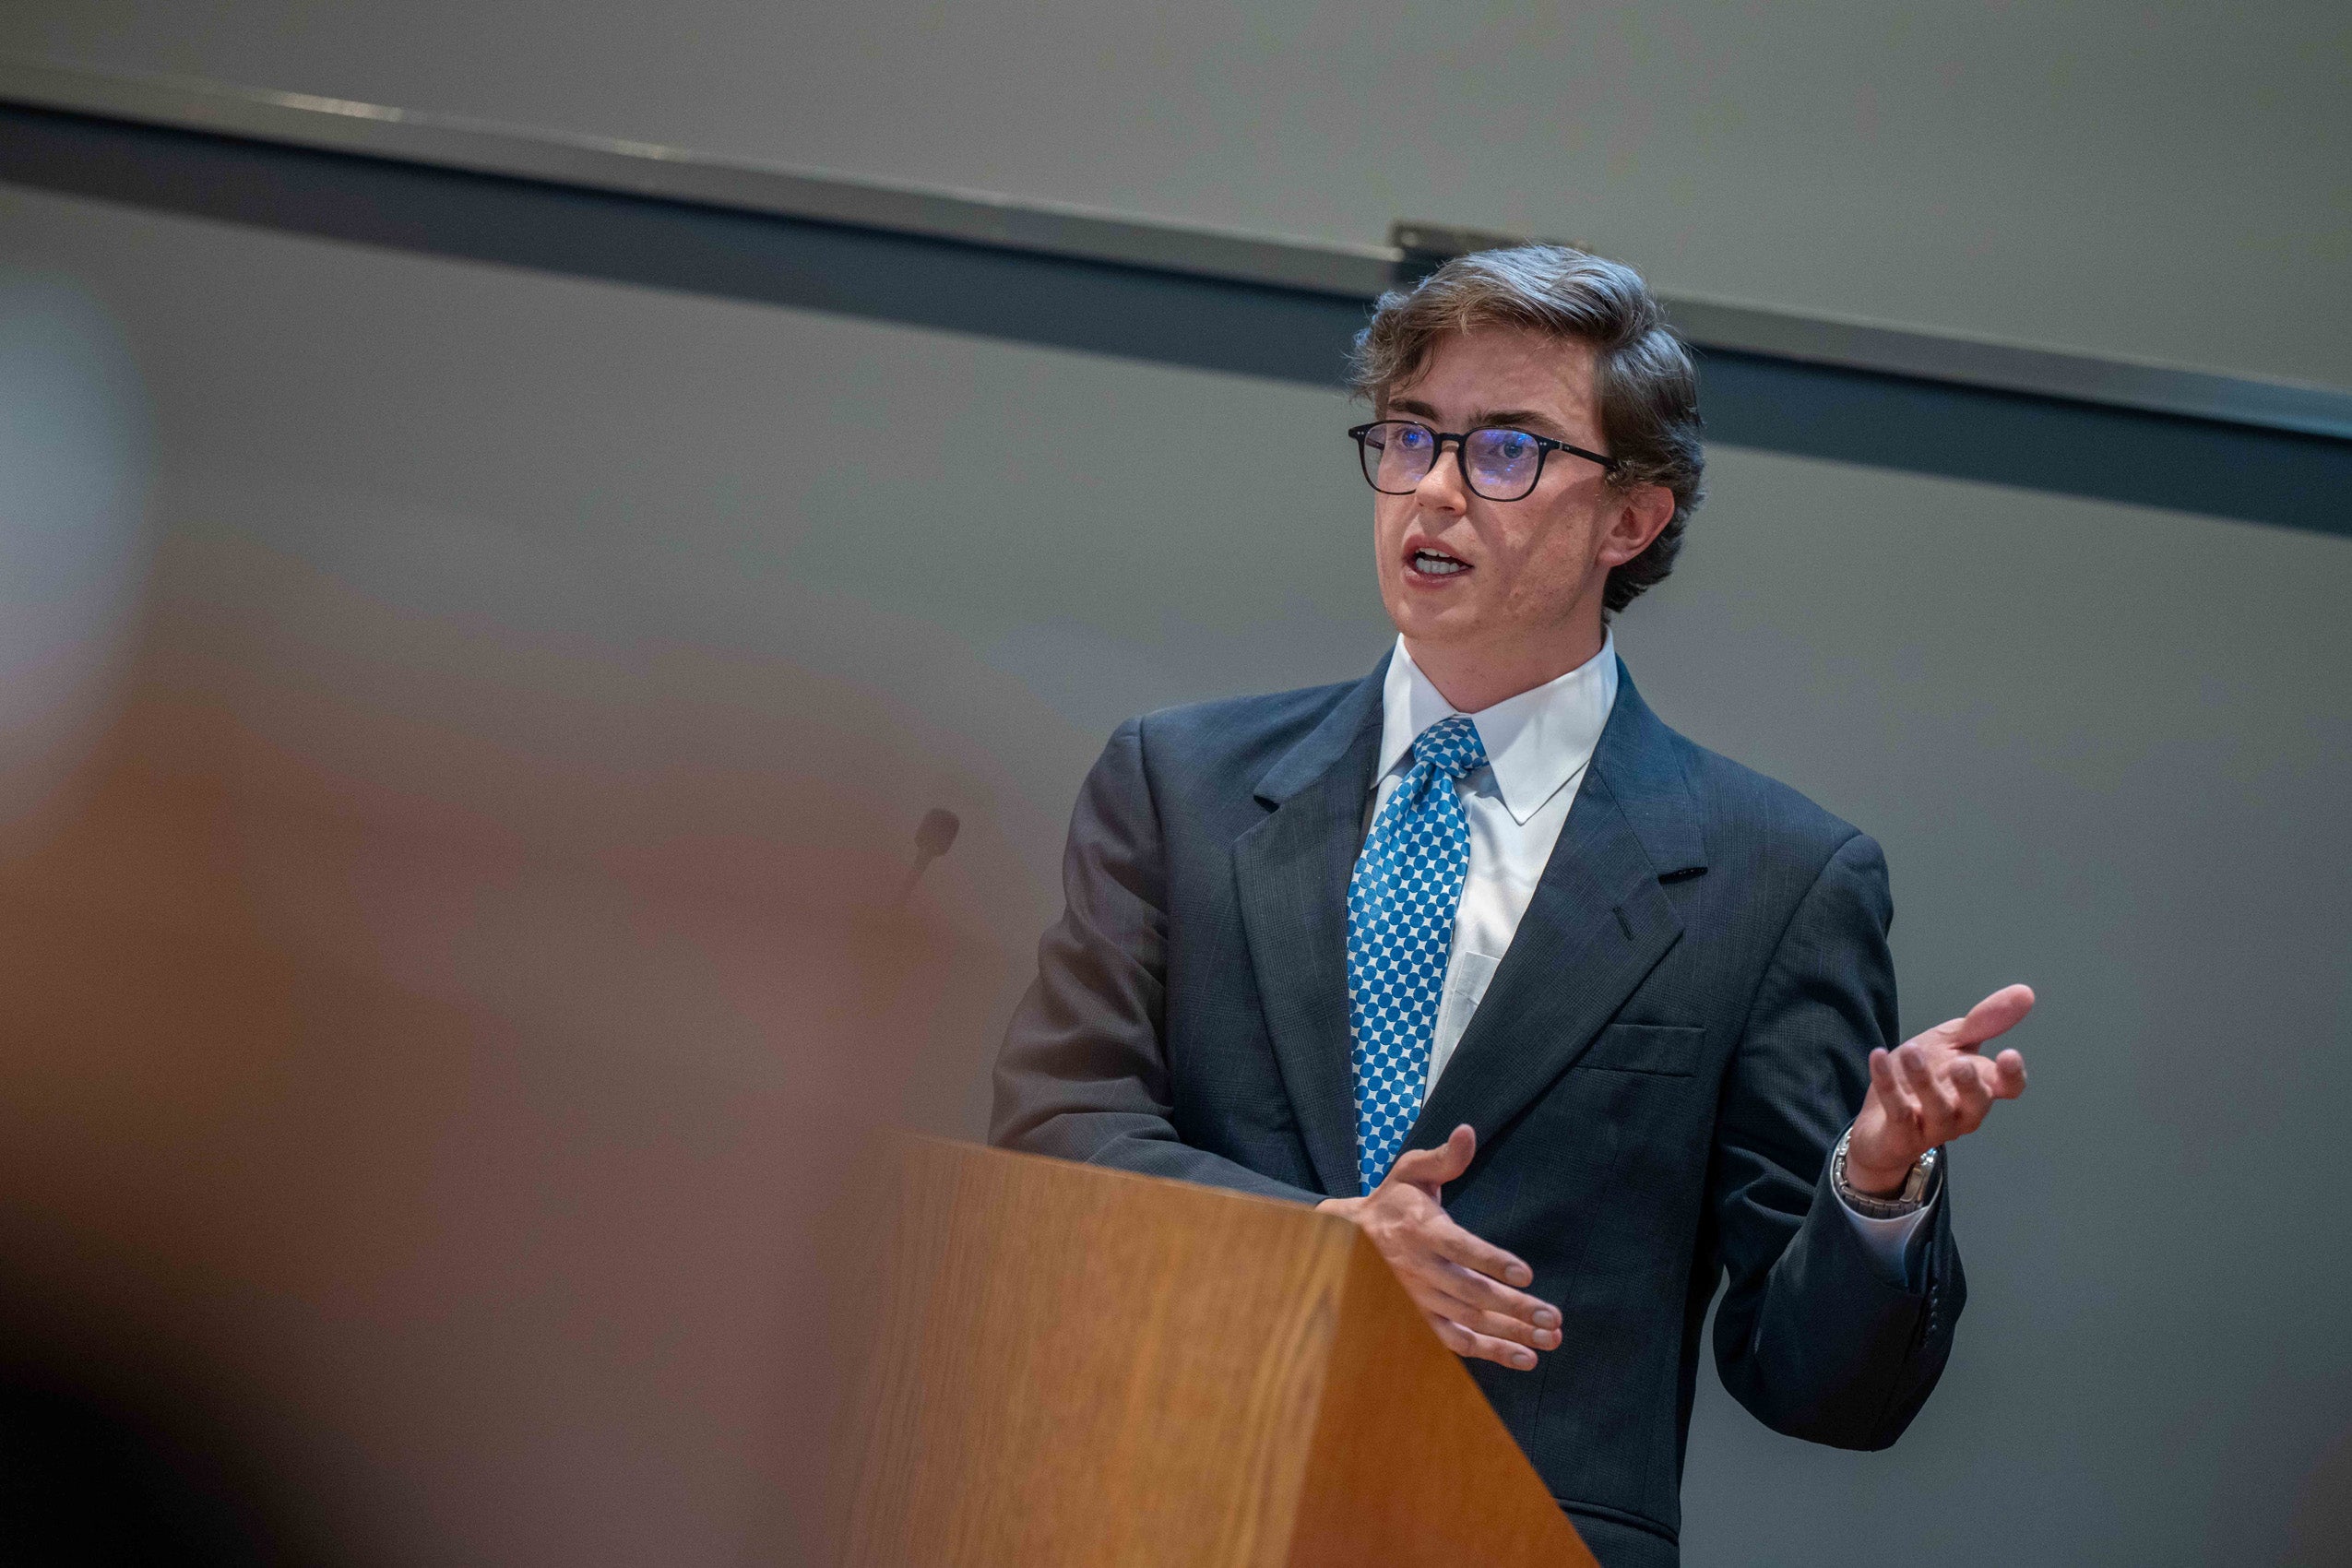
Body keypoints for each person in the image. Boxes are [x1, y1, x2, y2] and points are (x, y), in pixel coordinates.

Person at [989, 245, 2030, 1568]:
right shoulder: (1178, 786)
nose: (1431, 487)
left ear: (1631, 519)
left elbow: (1819, 1388)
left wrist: (1873, 1184)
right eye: (1410, 435)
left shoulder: (1775, 879)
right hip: (1150, 1500)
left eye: (1505, 452)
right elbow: (1050, 1134)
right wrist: (1317, 1247)